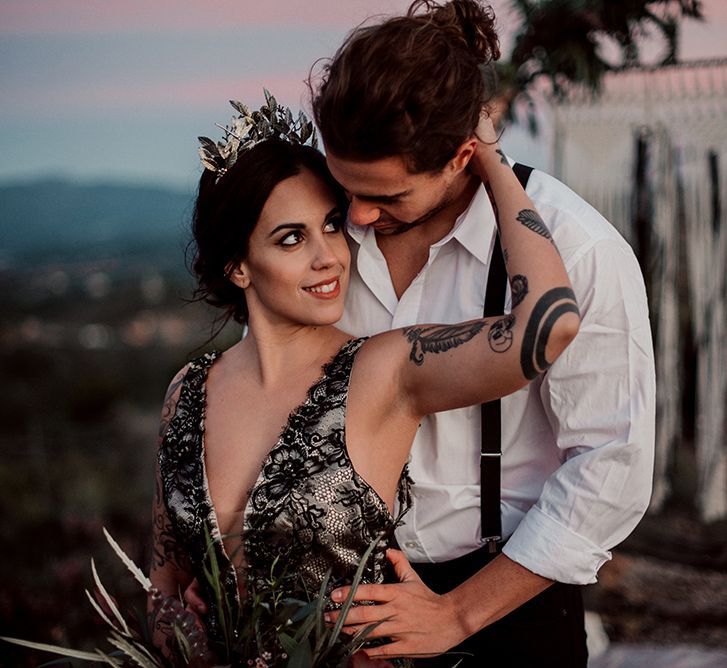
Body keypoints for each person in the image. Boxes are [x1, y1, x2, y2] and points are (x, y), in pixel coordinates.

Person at [149, 96, 579, 666]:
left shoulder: (385, 369)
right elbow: (162, 584)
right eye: (291, 238)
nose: (329, 256)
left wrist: (493, 163)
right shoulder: (187, 391)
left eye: (331, 225)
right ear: (238, 266)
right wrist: (183, 629)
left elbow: (547, 327)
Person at [309, 0, 655, 665]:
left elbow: (612, 464)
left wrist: (458, 614)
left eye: (386, 195)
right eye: (344, 183)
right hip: (341, 613)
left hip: (508, 606)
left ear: (464, 154)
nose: (356, 211)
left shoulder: (575, 248)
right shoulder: (325, 231)